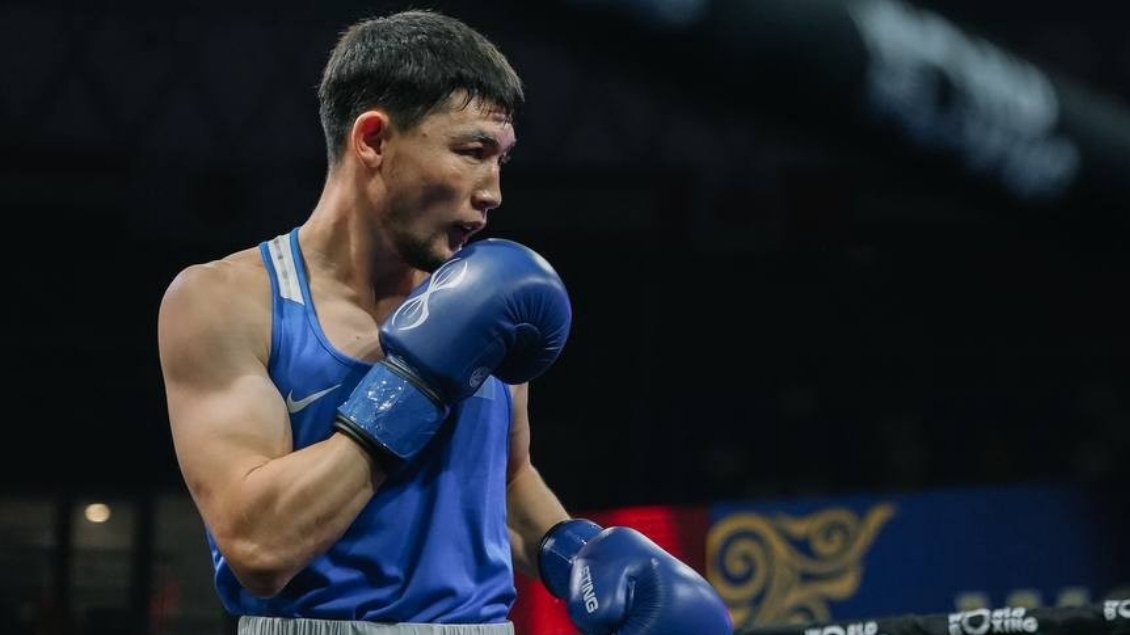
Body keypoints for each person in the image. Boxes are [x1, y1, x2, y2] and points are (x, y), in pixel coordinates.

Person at [156, 8, 732, 635]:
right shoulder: (228, 300)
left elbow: (508, 481)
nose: (493, 192)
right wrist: (416, 385)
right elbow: (259, 550)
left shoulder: (492, 298)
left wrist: (575, 555)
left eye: (501, 159)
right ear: (373, 140)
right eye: (473, 151)